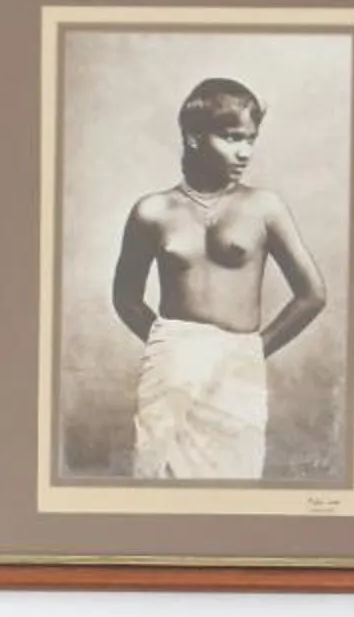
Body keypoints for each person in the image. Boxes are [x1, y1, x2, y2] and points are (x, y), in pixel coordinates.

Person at [110, 76, 326, 482]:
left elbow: (312, 294)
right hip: (171, 362)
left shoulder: (264, 207)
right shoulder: (153, 211)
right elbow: (125, 297)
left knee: (235, 478)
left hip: (238, 362)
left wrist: (252, 350)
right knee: (157, 474)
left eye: (250, 139)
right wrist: (168, 343)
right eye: (231, 138)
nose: (244, 151)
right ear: (194, 137)